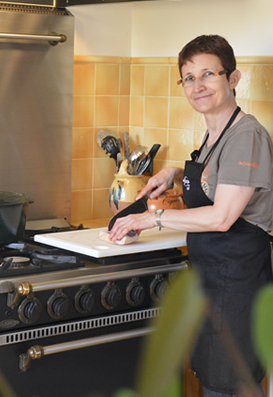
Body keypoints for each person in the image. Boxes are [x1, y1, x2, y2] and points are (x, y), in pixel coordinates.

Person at [109, 35, 273, 396]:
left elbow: (222, 217)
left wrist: (151, 219)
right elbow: (213, 182)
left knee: (232, 385)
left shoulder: (247, 136)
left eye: (208, 75)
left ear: (232, 79)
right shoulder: (214, 134)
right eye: (188, 77)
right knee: (215, 381)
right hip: (213, 280)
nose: (197, 86)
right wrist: (172, 175)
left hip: (238, 284)